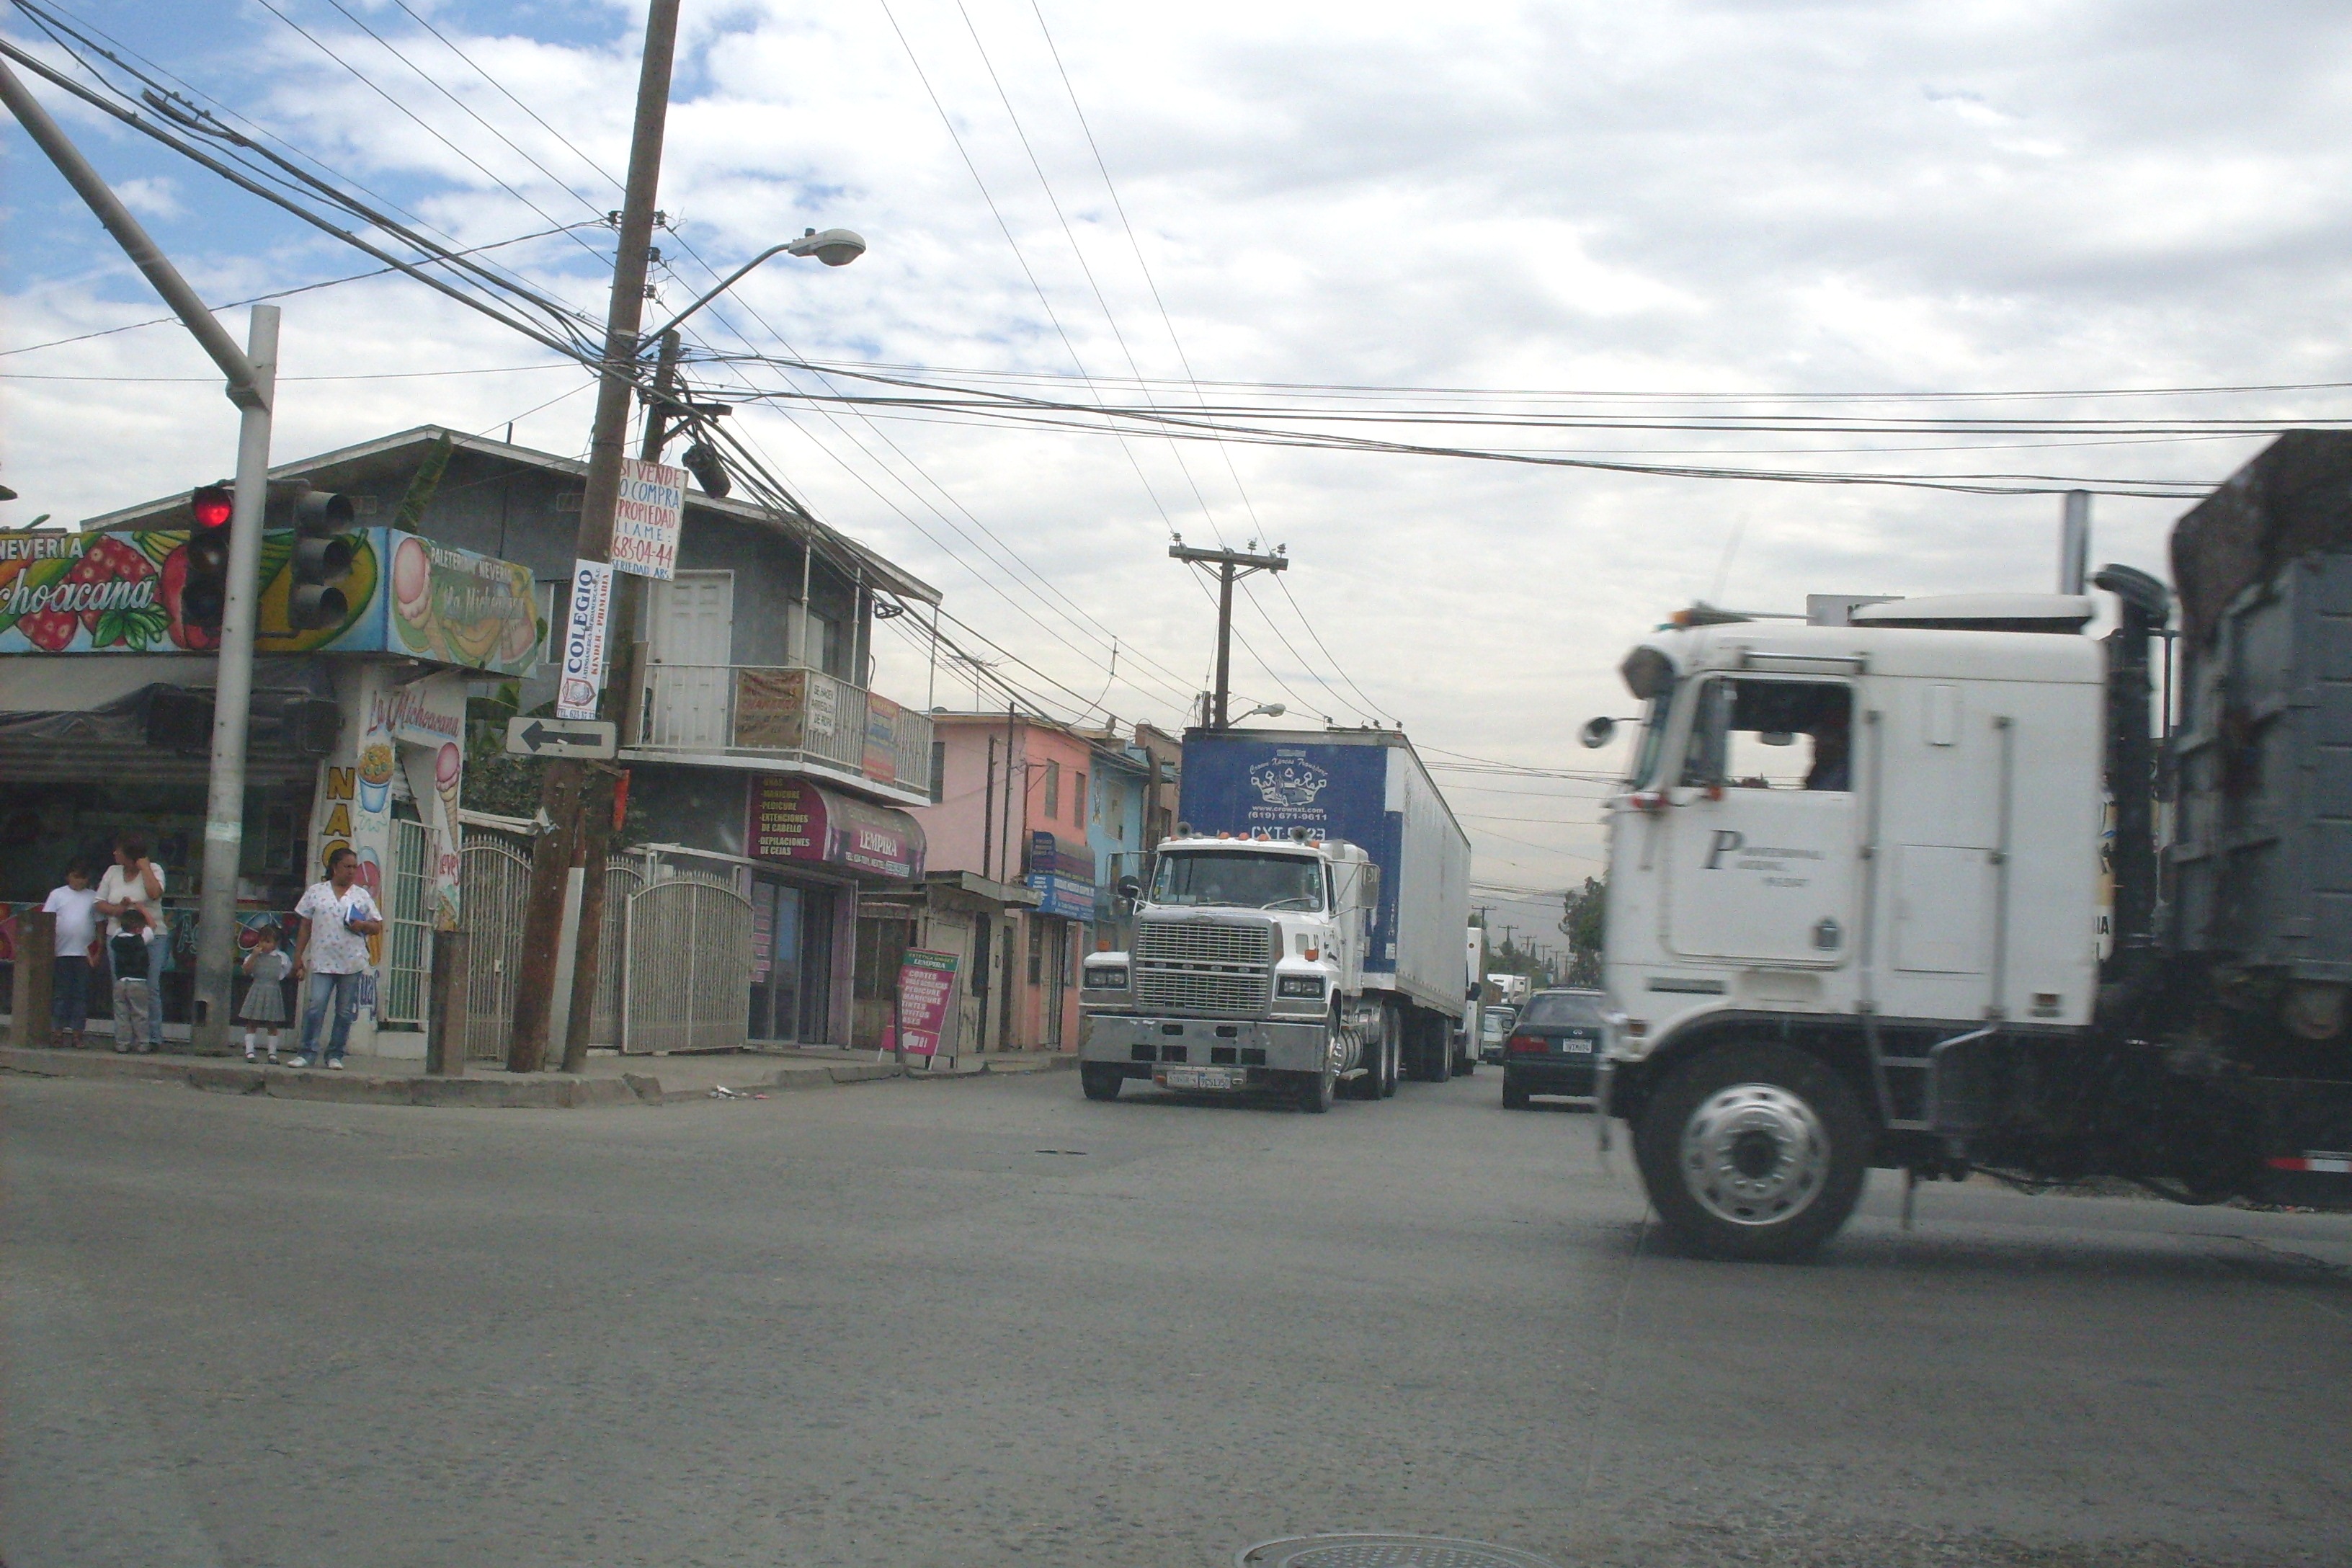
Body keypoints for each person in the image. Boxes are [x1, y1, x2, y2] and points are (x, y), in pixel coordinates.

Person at [290, 847, 383, 1069]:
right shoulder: (317, 892)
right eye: (347, 867)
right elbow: (305, 925)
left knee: (343, 1011)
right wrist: (298, 956)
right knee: (316, 1006)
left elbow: (378, 925)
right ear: (334, 867)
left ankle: (335, 1054)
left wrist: (362, 926)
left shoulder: (361, 895)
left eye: (354, 867)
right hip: (323, 960)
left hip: (351, 961)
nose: (352, 872)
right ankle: (307, 1051)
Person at [94, 833, 166, 1052]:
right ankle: (124, 1039)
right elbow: (99, 903)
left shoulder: (155, 869)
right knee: (121, 987)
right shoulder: (112, 872)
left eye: (119, 850)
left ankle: (152, 1038)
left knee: (149, 986)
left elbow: (155, 894)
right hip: (119, 935)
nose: (115, 853)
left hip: (151, 936)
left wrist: (144, 868)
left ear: (131, 855)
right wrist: (119, 910)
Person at [42, 860, 100, 1050]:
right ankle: (57, 1033)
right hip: (61, 952)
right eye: (76, 877)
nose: (79, 881)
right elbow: (47, 923)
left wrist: (99, 950)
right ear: (68, 876)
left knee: (80, 995)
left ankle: (77, 1035)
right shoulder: (57, 895)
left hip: (85, 955)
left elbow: (100, 925)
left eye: (83, 877)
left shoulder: (93, 897)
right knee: (61, 994)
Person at [239, 924, 293, 1063]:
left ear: (276, 943)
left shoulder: (282, 958)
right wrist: (254, 956)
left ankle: (272, 1053)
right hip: (257, 988)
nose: (264, 944)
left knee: (272, 1023)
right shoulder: (255, 955)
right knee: (252, 1021)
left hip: (273, 990)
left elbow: (286, 972)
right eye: (261, 941)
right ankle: (249, 1051)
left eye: (268, 941)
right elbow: (246, 971)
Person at [108, 906, 156, 1055]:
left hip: (121, 981)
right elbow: (153, 925)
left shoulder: (116, 940)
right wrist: (141, 907)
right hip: (138, 981)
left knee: (121, 1014)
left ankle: (122, 1044)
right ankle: (142, 1044)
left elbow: (118, 929)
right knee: (140, 1014)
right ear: (138, 929)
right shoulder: (140, 939)